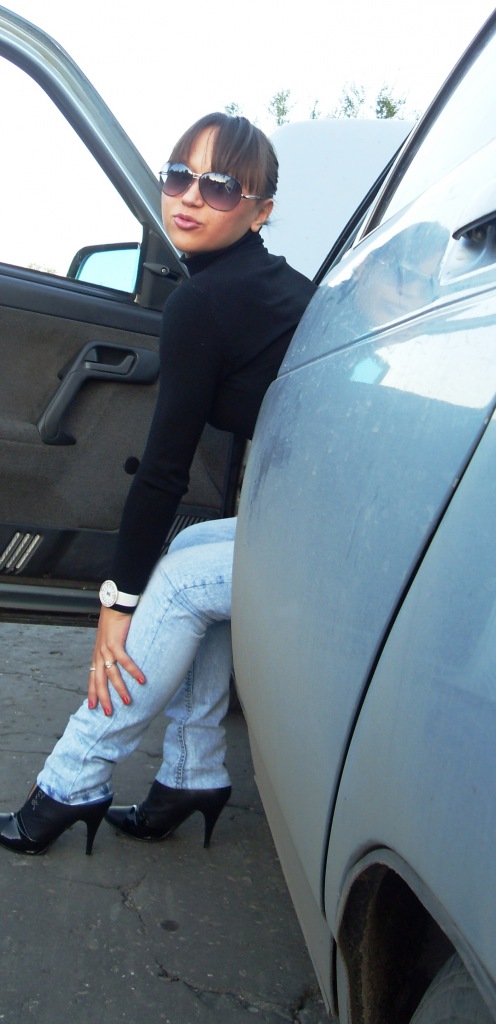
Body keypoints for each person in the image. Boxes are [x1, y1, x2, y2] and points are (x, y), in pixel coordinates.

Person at [0, 113, 315, 857]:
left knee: (175, 585)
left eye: (221, 185)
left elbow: (164, 470)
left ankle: (71, 783)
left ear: (261, 210)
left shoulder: (204, 301)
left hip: (342, 538)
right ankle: (192, 773)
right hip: (333, 516)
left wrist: (117, 604)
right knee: (195, 553)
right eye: (178, 175)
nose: (191, 196)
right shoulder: (268, 286)